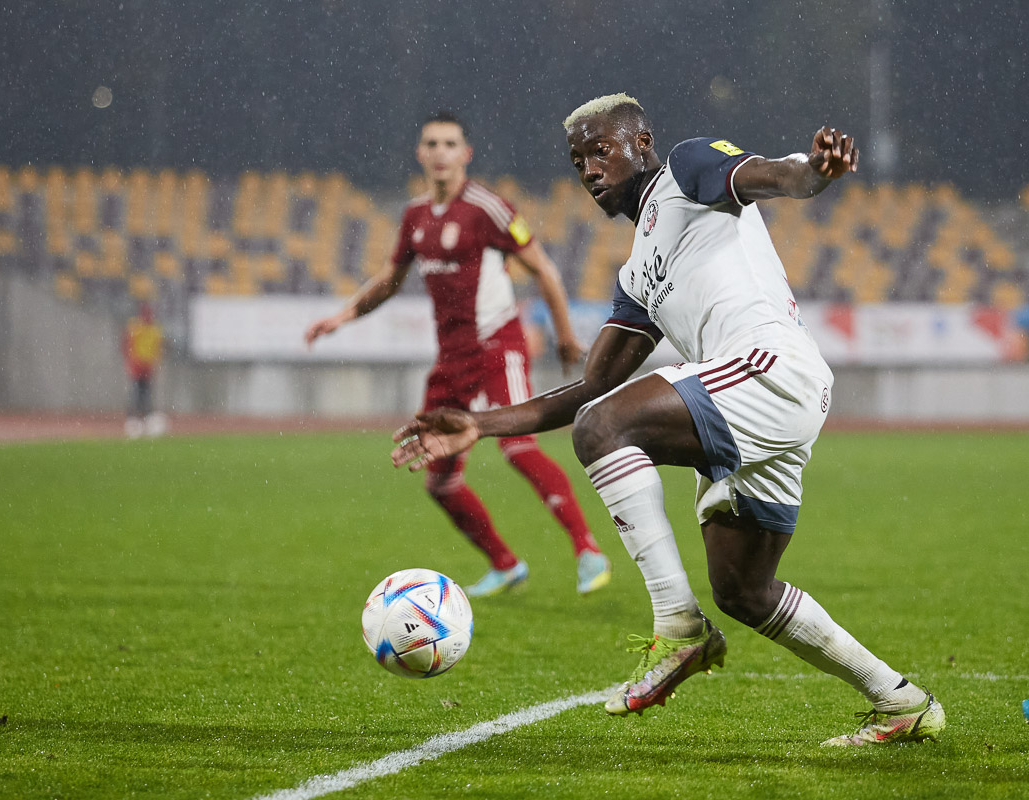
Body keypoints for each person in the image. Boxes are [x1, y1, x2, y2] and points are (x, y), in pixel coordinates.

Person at [391, 94, 944, 746]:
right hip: (758, 401)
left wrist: (815, 172)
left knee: (602, 428)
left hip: (770, 368)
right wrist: (480, 424)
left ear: (642, 143)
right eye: (577, 160)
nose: (589, 170)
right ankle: (902, 701)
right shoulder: (637, 273)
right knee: (743, 590)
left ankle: (677, 625)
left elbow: (772, 175)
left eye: (601, 150)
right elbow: (591, 386)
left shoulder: (686, 169)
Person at [305, 111, 612, 597]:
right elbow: (390, 280)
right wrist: (341, 317)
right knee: (438, 480)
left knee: (518, 447)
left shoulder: (488, 208)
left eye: (450, 143)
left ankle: (587, 549)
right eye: (432, 143)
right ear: (420, 154)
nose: (440, 152)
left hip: (497, 345)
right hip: (451, 361)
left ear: (465, 153)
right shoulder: (415, 216)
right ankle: (505, 565)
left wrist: (564, 336)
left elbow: (545, 270)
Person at [122, 302, 165, 438]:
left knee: (145, 392)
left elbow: (158, 347)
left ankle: (144, 417)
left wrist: (155, 362)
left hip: (148, 366)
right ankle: (133, 418)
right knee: (136, 392)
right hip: (137, 365)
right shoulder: (136, 327)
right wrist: (130, 361)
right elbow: (128, 344)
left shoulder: (154, 329)